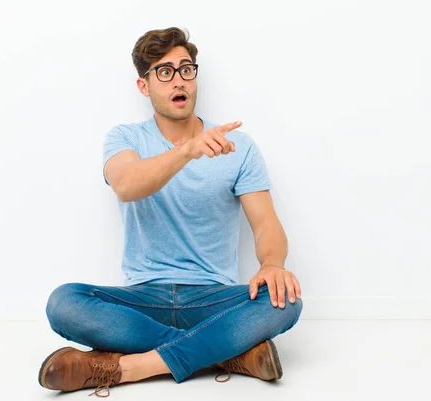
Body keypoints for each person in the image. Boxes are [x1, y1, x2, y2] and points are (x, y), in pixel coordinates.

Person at [38, 27, 303, 397]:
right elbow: (128, 185)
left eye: (186, 69)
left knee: (286, 301)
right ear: (144, 86)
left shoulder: (237, 146)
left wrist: (272, 263)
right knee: (63, 303)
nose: (178, 80)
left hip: (212, 298)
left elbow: (266, 225)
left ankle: (128, 367)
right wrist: (187, 152)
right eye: (164, 72)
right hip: (143, 301)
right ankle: (225, 354)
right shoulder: (125, 138)